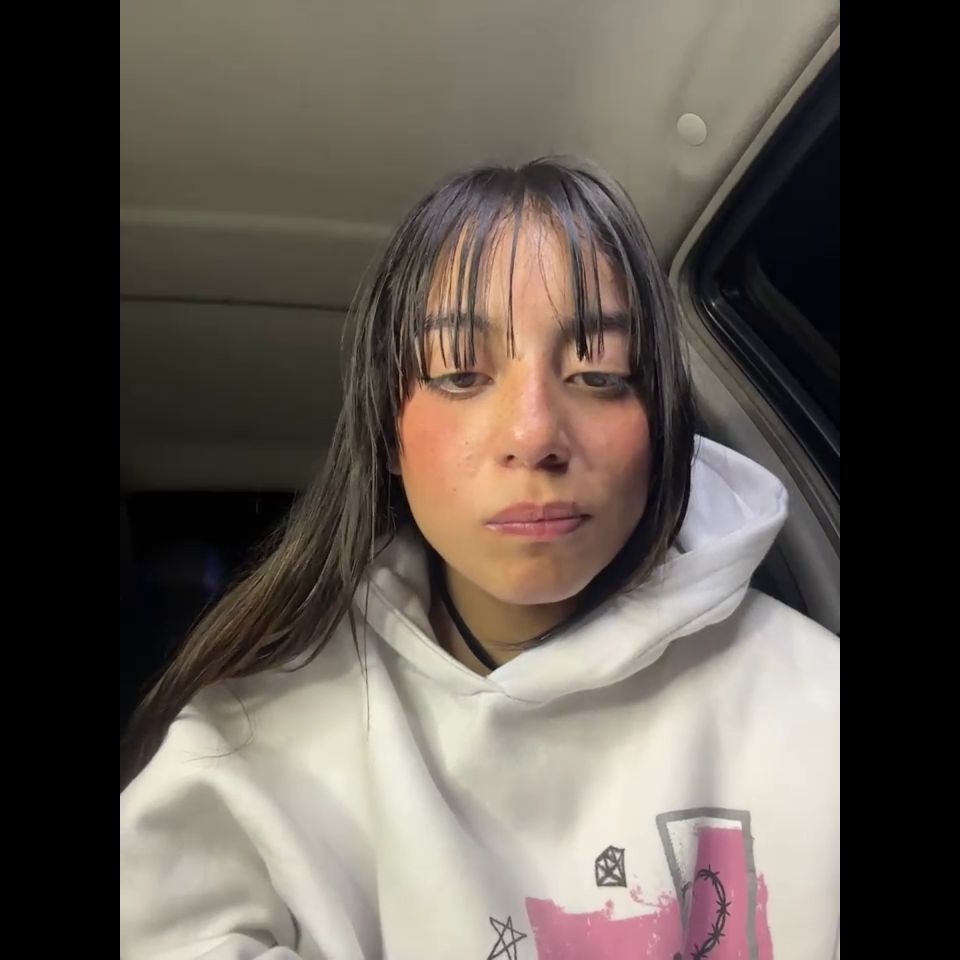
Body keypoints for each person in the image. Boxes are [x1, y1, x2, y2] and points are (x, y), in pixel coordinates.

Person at [120, 157, 839, 960]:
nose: (534, 435)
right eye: (462, 373)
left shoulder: (812, 707)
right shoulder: (249, 749)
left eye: (598, 373)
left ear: (661, 421)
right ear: (386, 431)